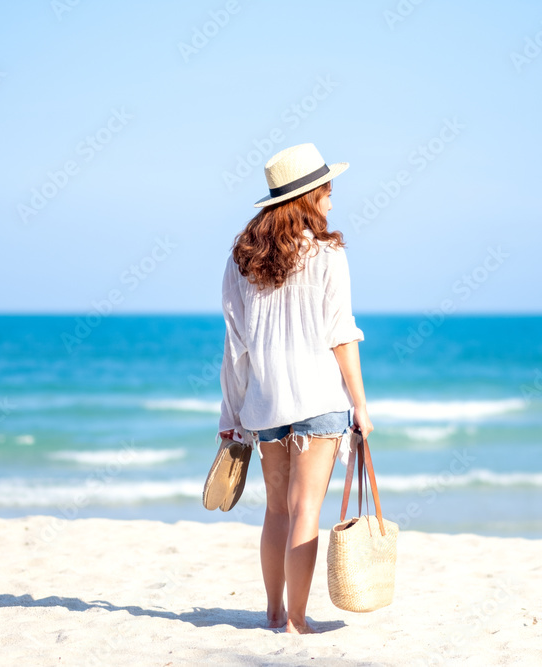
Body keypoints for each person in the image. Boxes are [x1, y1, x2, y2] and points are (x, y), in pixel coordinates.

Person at [217, 143, 373, 634]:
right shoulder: (328, 255)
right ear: (308, 196)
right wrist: (362, 407)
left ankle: (273, 612)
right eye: (327, 189)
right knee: (307, 510)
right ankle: (298, 622)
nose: (332, 198)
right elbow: (341, 335)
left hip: (265, 404)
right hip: (320, 401)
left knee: (277, 510)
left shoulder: (243, 262)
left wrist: (232, 414)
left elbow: (235, 347)